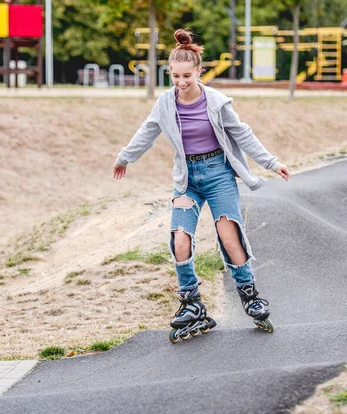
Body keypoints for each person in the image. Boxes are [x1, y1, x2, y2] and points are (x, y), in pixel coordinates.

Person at [113, 29, 289, 340]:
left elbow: (243, 134)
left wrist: (272, 162)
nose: (180, 83)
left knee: (229, 235)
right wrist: (124, 157)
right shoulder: (166, 103)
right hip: (187, 180)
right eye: (175, 76)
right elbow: (147, 132)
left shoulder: (217, 102)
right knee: (180, 239)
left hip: (218, 173)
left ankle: (249, 295)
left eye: (186, 76)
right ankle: (191, 303)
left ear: (199, 71)